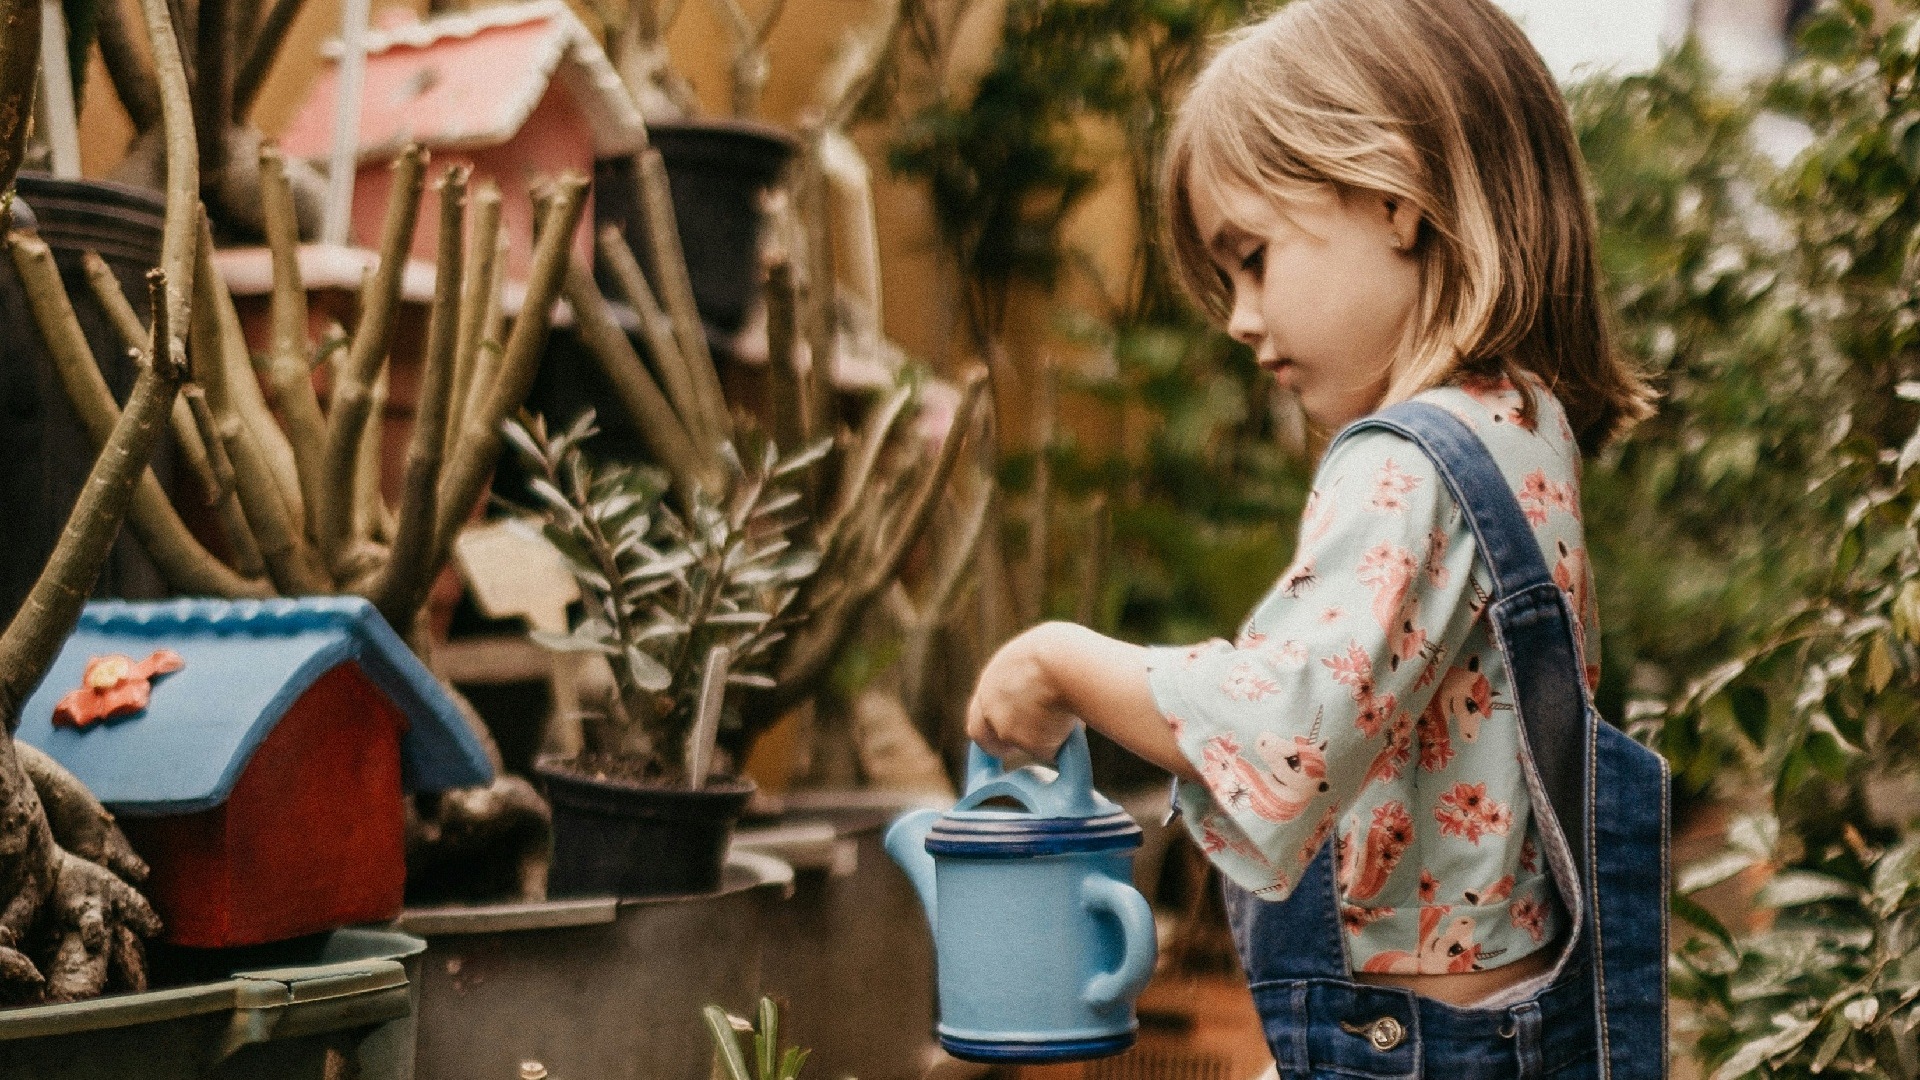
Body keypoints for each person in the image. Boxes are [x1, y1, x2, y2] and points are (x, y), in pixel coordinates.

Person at [962, 0, 1670, 1076]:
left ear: (1395, 196)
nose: (1240, 317)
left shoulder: (1403, 461)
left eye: (1251, 258)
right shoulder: (1522, 424)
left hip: (1420, 1048)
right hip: (1516, 1028)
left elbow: (1285, 735)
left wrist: (1057, 657)